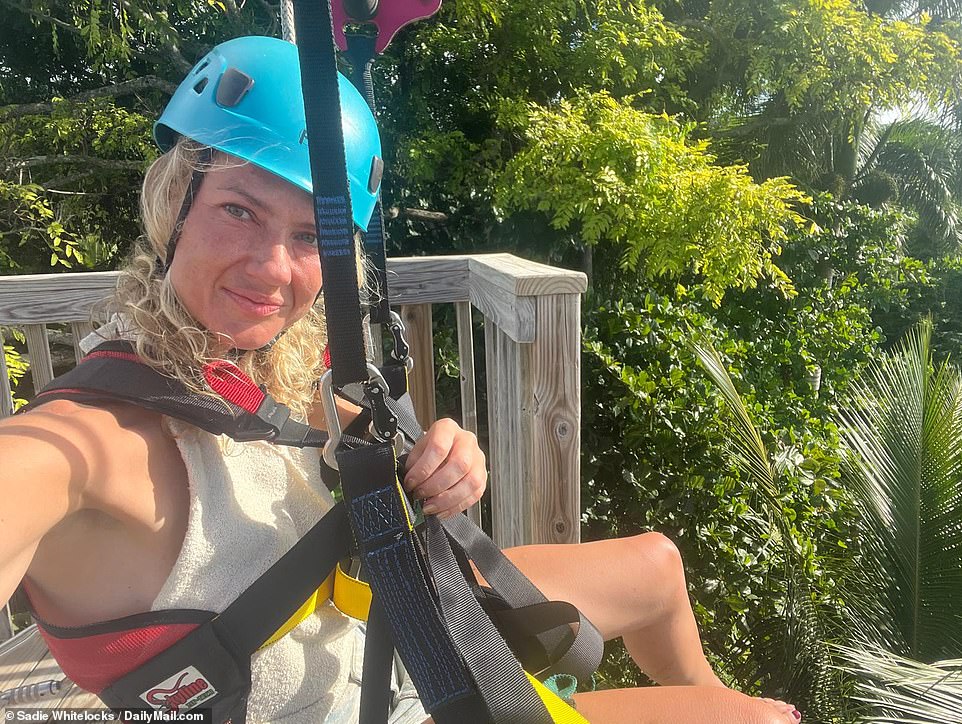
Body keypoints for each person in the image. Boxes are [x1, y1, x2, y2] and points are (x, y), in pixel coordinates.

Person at [0, 35, 801, 724]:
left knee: (658, 566)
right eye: (239, 210)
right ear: (175, 202)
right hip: (381, 695)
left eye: (312, 234)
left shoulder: (263, 368)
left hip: (383, 634)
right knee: (764, 719)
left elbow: (353, 477)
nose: (274, 269)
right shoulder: (88, 442)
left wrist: (448, 458)